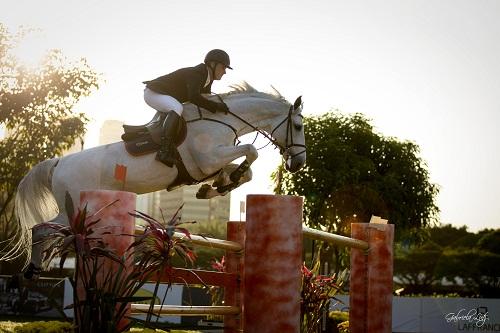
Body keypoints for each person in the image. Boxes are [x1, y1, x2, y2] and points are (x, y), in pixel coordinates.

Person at [143, 49, 232, 167]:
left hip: (163, 95)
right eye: (223, 67)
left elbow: (206, 101)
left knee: (180, 109)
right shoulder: (197, 73)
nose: (225, 72)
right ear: (212, 64)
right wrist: (216, 106)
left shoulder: (207, 80)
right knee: (177, 108)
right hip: (154, 93)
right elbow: (194, 97)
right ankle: (165, 150)